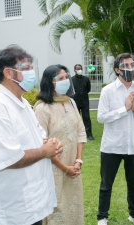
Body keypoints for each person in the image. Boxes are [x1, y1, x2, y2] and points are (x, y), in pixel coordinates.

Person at [0, 47, 63, 225]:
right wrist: (45, 151)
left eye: (31, 68)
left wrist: (49, 144)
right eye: (25, 68)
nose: (31, 73)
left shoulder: (22, 104)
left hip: (31, 201)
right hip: (10, 209)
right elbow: (10, 159)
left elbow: (36, 139)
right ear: (8, 72)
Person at [96, 53, 134, 225]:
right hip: (111, 146)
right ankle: (102, 217)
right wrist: (124, 109)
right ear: (117, 70)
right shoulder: (108, 90)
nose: (130, 68)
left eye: (132, 65)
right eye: (125, 66)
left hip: (133, 146)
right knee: (106, 184)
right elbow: (101, 117)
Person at [34, 64, 86, 225]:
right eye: (60, 78)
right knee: (57, 209)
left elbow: (80, 132)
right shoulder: (42, 108)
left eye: (66, 77)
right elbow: (41, 145)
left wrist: (78, 161)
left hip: (73, 166)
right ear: (49, 82)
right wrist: (65, 168)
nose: (65, 81)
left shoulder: (70, 102)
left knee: (73, 204)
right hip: (53, 169)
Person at [72, 64, 94, 140]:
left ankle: (89, 134)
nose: (79, 70)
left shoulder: (86, 79)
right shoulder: (71, 80)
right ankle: (76, 134)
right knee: (75, 119)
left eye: (80, 69)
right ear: (74, 70)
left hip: (84, 101)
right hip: (75, 102)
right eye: (78, 69)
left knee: (86, 118)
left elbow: (88, 89)